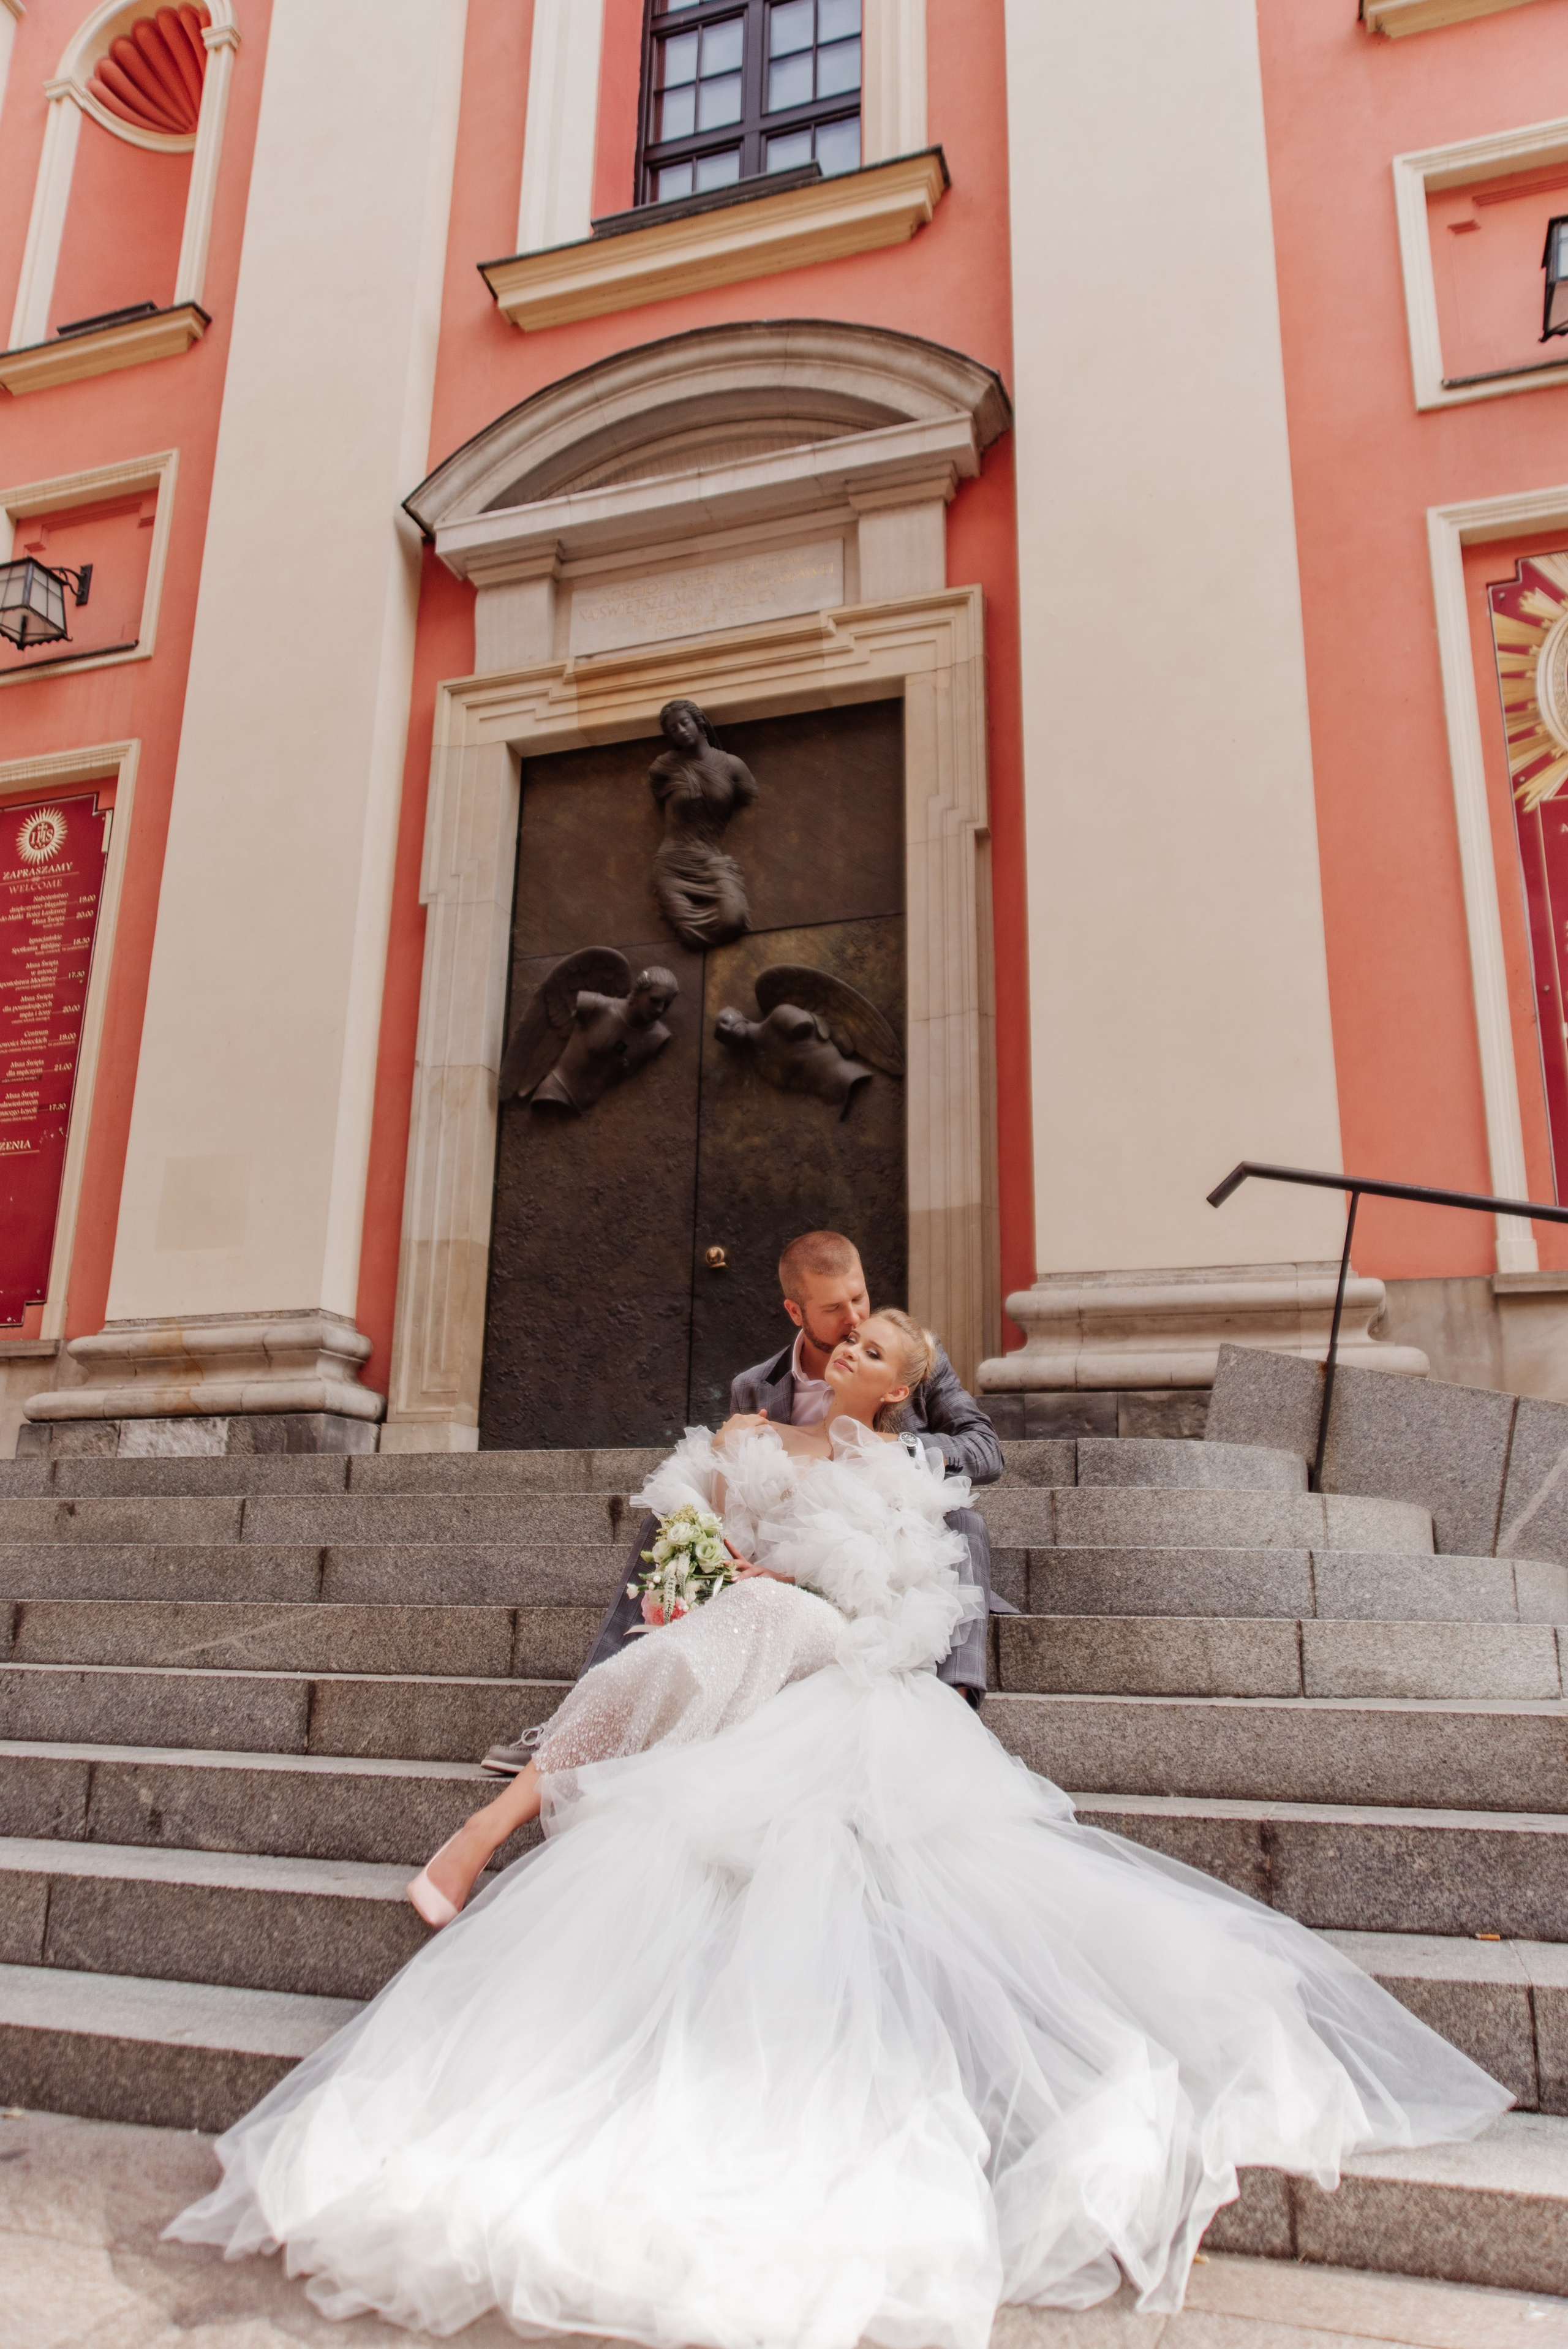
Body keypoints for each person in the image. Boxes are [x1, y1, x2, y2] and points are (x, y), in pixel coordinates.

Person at [168, 1308, 1509, 2343]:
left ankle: (501, 1813)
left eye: (870, 1344)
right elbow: (669, 1560)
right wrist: (711, 1556)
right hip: (727, 1664)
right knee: (723, 1617)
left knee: (756, 1619)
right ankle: (507, 1807)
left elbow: (909, 1627)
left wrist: (771, 1600)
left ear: (892, 1382)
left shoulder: (907, 1480)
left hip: (842, 1685)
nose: (842, 1347)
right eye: (842, 1331)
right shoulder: (747, 1444)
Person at [480, 1230, 1004, 1776]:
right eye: (834, 1309)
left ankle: (955, 1704)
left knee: (961, 1518)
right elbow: (736, 1504)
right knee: (675, 1514)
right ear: (795, 1311)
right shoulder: (754, 1387)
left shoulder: (909, 1360)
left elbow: (985, 1449)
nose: (854, 1321)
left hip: (871, 1554)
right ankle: (577, 1729)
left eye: (860, 1298)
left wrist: (893, 1449)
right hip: (769, 1549)